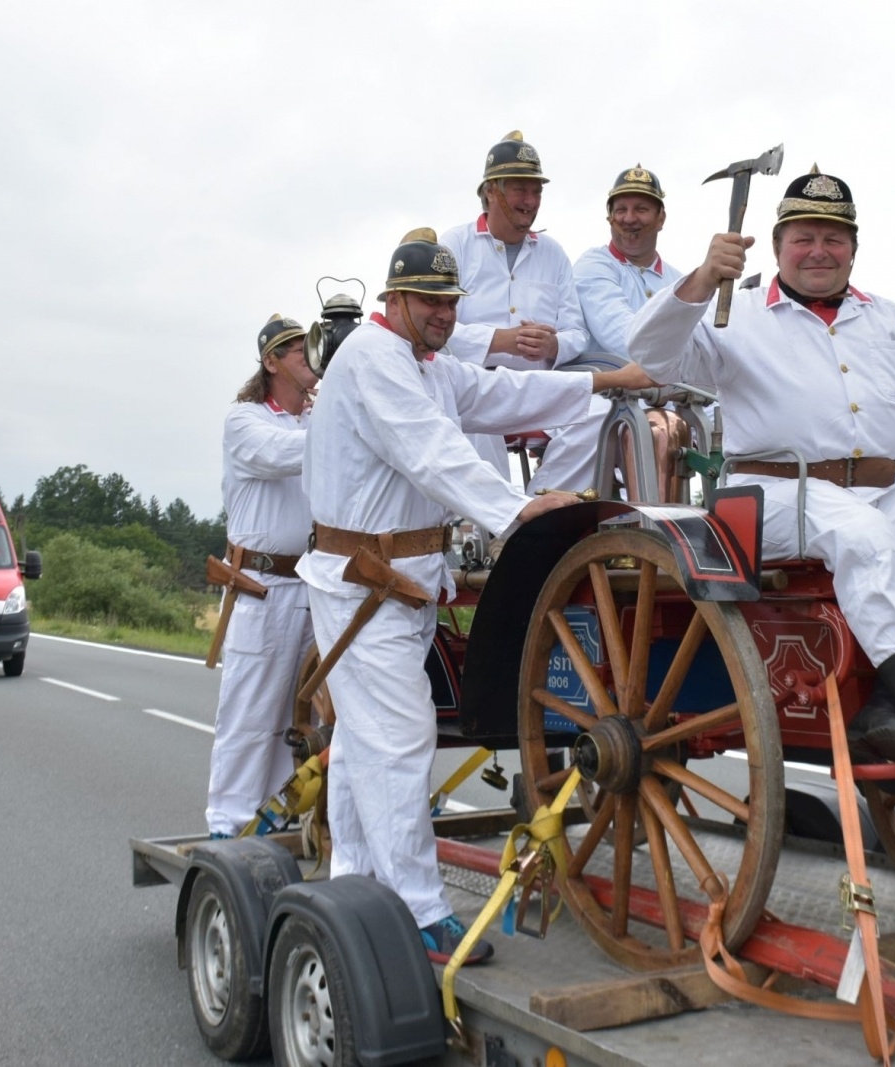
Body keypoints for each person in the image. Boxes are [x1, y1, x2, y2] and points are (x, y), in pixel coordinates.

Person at [302, 228, 654, 964]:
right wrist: (515, 508)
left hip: (399, 584)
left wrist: (601, 382)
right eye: (428, 301)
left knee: (366, 743)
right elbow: (429, 448)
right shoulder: (371, 358)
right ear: (394, 298)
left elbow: (505, 392)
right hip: (365, 585)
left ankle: (353, 882)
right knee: (399, 740)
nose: (443, 314)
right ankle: (418, 913)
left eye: (451, 302)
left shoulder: (428, 365)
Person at [627, 167, 895, 798]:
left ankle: (888, 708)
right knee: (862, 533)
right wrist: (702, 279)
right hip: (769, 495)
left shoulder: (894, 322)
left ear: (853, 248)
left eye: (833, 238)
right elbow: (649, 354)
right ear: (778, 246)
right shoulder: (734, 313)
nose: (818, 251)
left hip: (882, 488)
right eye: (803, 238)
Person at [205, 313, 320, 839]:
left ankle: (278, 819)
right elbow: (280, 456)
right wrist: (346, 427)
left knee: (303, 714)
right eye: (298, 350)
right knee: (252, 712)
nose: (309, 356)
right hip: (261, 585)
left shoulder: (315, 420)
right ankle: (229, 826)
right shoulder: (245, 420)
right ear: (271, 363)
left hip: (315, 583)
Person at [438, 131, 599, 497]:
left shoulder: (553, 253)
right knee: (472, 422)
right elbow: (437, 331)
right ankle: (501, 516)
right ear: (490, 192)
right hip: (475, 387)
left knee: (601, 414)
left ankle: (531, 509)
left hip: (538, 390)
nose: (530, 201)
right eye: (520, 190)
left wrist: (553, 346)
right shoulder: (454, 245)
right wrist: (500, 341)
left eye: (536, 191)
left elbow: (577, 333)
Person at [574, 164, 694, 501]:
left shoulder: (679, 280)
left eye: (641, 209)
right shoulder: (594, 265)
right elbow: (625, 339)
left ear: (661, 218)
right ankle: (532, 519)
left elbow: (704, 346)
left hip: (672, 394)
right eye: (621, 209)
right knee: (656, 429)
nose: (630, 218)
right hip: (604, 395)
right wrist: (680, 370)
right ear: (609, 217)